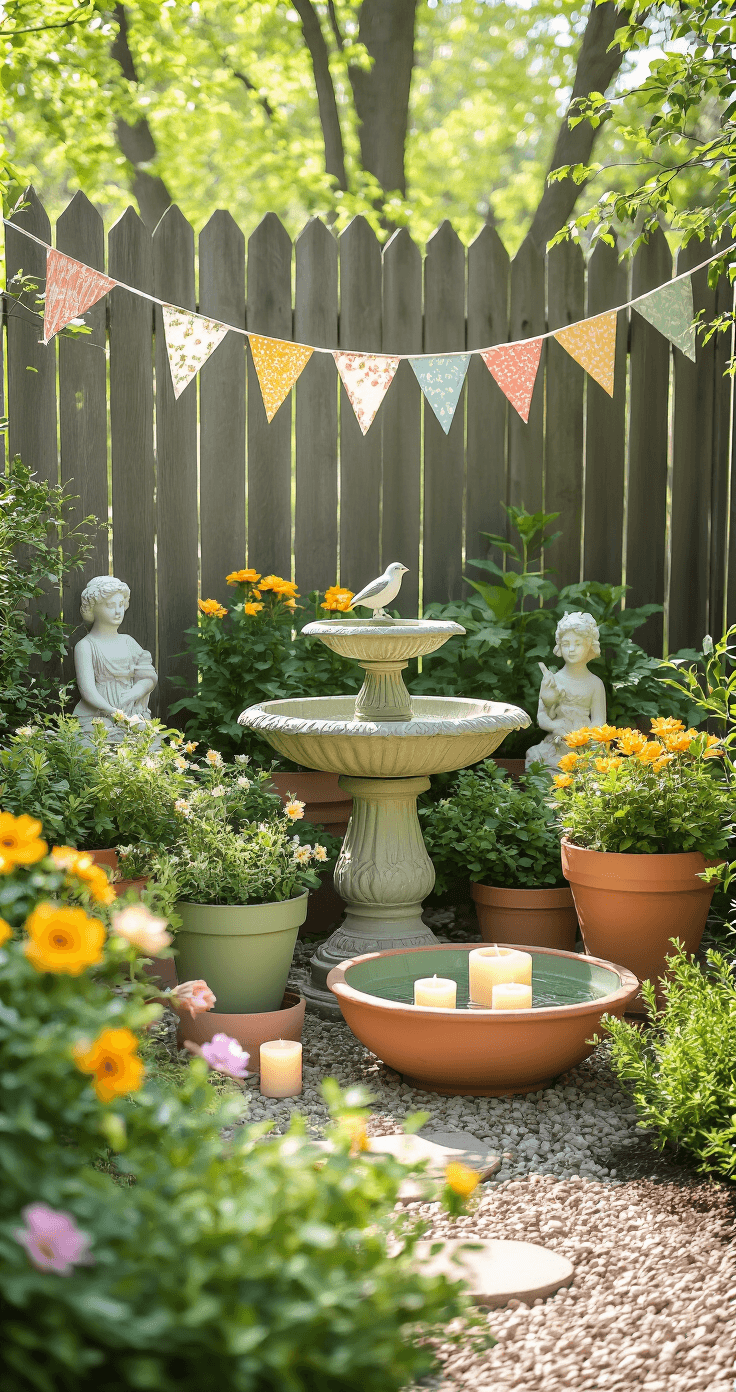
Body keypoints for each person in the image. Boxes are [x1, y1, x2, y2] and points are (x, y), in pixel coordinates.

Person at [73, 577, 157, 741]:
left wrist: (135, 692)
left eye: (121, 605)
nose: (118, 611)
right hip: (98, 714)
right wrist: (113, 712)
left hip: (131, 710)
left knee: (146, 744)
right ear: (93, 608)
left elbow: (148, 676)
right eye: (110, 606)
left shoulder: (128, 642)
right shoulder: (86, 646)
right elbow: (88, 691)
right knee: (100, 745)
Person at [524, 611, 606, 772]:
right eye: (566, 644)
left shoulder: (596, 684)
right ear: (559, 645)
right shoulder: (551, 681)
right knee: (540, 763)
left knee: (594, 767)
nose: (572, 649)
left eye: (578, 643)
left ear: (589, 643)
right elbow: (542, 717)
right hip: (557, 743)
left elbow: (599, 721)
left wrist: (584, 735)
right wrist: (554, 721)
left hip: (584, 744)